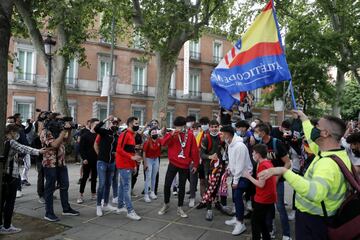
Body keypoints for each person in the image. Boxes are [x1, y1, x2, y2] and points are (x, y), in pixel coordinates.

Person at [259, 110, 352, 240]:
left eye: (317, 126)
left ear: (325, 133)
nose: (313, 129)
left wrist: (284, 171)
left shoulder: (327, 164)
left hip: (314, 221)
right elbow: (310, 137)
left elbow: (314, 192)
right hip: (320, 217)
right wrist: (304, 119)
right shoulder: (332, 152)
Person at [0, 124, 46, 234]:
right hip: (12, 175)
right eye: (16, 132)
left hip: (5, 175)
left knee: (3, 202)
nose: (18, 135)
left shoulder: (4, 142)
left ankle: (2, 225)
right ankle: (7, 226)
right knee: (10, 202)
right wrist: (39, 151)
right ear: (11, 132)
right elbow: (24, 148)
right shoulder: (11, 142)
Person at [254, 123, 292, 240]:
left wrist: (278, 176)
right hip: (265, 182)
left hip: (277, 180)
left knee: (280, 207)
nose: (256, 134)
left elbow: (288, 162)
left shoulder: (277, 143)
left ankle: (286, 234)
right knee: (267, 208)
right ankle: (269, 230)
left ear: (263, 133)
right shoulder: (259, 145)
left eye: (257, 131)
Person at [40, 113, 80, 222]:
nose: (62, 122)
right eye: (60, 120)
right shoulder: (46, 131)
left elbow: (67, 141)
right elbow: (54, 145)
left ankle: (66, 209)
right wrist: (63, 131)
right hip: (50, 163)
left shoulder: (59, 130)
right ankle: (49, 213)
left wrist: (69, 130)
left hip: (61, 163)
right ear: (53, 120)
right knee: (50, 188)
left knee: (65, 186)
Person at [158, 116, 200, 218]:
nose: (179, 128)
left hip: (185, 165)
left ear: (184, 125)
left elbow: (194, 150)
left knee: (182, 186)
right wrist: (171, 135)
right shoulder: (172, 134)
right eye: (177, 126)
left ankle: (180, 207)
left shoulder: (190, 135)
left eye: (180, 126)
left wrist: (195, 164)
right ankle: (166, 204)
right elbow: (163, 143)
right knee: (167, 184)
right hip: (173, 163)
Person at [221, 125, 253, 236]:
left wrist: (235, 181)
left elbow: (240, 165)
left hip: (244, 176)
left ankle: (241, 223)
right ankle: (237, 217)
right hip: (237, 175)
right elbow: (232, 161)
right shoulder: (229, 144)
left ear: (228, 134)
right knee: (235, 198)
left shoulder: (239, 146)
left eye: (222, 133)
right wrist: (229, 168)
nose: (221, 135)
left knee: (238, 197)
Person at [243, 144, 277, 240]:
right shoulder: (268, 163)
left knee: (255, 222)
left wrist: (249, 176)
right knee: (261, 221)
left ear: (258, 154)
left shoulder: (263, 166)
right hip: (269, 197)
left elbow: (261, 184)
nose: (252, 155)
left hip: (263, 198)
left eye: (253, 153)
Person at [196, 120, 224, 221]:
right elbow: (201, 154)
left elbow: (224, 151)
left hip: (219, 166)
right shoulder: (205, 138)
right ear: (209, 127)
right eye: (212, 127)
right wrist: (210, 156)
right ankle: (209, 209)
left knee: (217, 187)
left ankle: (217, 203)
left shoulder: (221, 137)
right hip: (208, 167)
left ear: (218, 127)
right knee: (209, 188)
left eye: (216, 126)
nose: (214, 128)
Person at [115, 116, 142, 220]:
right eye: (136, 123)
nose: (138, 125)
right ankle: (130, 211)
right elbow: (119, 150)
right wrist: (132, 158)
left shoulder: (132, 135)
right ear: (130, 124)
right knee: (127, 188)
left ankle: (120, 207)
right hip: (123, 165)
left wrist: (134, 164)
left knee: (122, 186)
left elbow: (131, 151)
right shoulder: (125, 134)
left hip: (128, 164)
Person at [93, 116, 120, 216]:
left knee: (108, 184)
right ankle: (98, 206)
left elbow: (118, 148)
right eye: (113, 123)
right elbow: (96, 129)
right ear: (110, 123)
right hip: (102, 162)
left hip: (112, 163)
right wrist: (105, 119)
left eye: (116, 123)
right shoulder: (104, 132)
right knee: (102, 184)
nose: (115, 124)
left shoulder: (116, 136)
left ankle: (106, 203)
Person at [77, 118, 99, 204]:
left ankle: (93, 194)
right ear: (92, 124)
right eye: (96, 124)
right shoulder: (85, 135)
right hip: (87, 160)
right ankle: (80, 195)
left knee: (94, 178)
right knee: (84, 177)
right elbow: (81, 149)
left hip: (96, 160)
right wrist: (84, 158)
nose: (98, 126)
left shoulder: (99, 135)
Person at [142, 128, 161, 203]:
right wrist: (145, 163)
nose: (154, 134)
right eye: (153, 133)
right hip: (148, 159)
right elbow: (144, 152)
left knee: (154, 176)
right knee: (148, 177)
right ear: (150, 134)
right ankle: (146, 195)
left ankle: (152, 192)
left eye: (155, 133)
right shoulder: (147, 142)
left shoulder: (158, 141)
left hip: (156, 159)